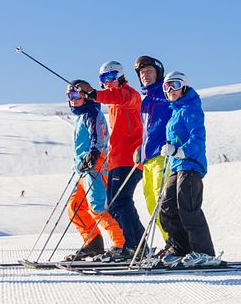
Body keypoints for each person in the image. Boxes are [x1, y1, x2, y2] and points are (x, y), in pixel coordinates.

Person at [76, 61, 144, 262]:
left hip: (130, 158)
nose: (108, 82)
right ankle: (140, 246)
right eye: (103, 79)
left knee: (120, 202)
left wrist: (93, 94)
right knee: (116, 204)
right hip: (116, 160)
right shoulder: (113, 102)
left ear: (121, 76)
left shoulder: (129, 95)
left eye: (111, 77)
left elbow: (116, 97)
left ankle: (132, 246)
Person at [158, 71, 219, 267]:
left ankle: (204, 252)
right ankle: (179, 248)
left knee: (188, 207)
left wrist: (180, 150)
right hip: (177, 166)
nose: (170, 90)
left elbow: (197, 137)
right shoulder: (176, 111)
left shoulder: (191, 108)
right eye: (166, 87)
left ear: (183, 86)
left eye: (174, 85)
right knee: (167, 207)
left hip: (191, 164)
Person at [64, 81, 125, 261]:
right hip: (83, 169)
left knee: (98, 206)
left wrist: (93, 155)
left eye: (76, 96)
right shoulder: (80, 116)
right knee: (74, 207)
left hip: (95, 167)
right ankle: (93, 243)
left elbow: (99, 136)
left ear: (85, 96)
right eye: (70, 97)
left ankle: (121, 243)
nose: (73, 100)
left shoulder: (92, 113)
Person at [134, 56, 173, 244]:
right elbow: (147, 130)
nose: (145, 76)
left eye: (149, 71)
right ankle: (170, 243)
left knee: (162, 201)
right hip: (148, 158)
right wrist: (141, 149)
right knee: (151, 203)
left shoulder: (166, 95)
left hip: (163, 155)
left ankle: (177, 244)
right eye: (141, 73)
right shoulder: (146, 101)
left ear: (158, 72)